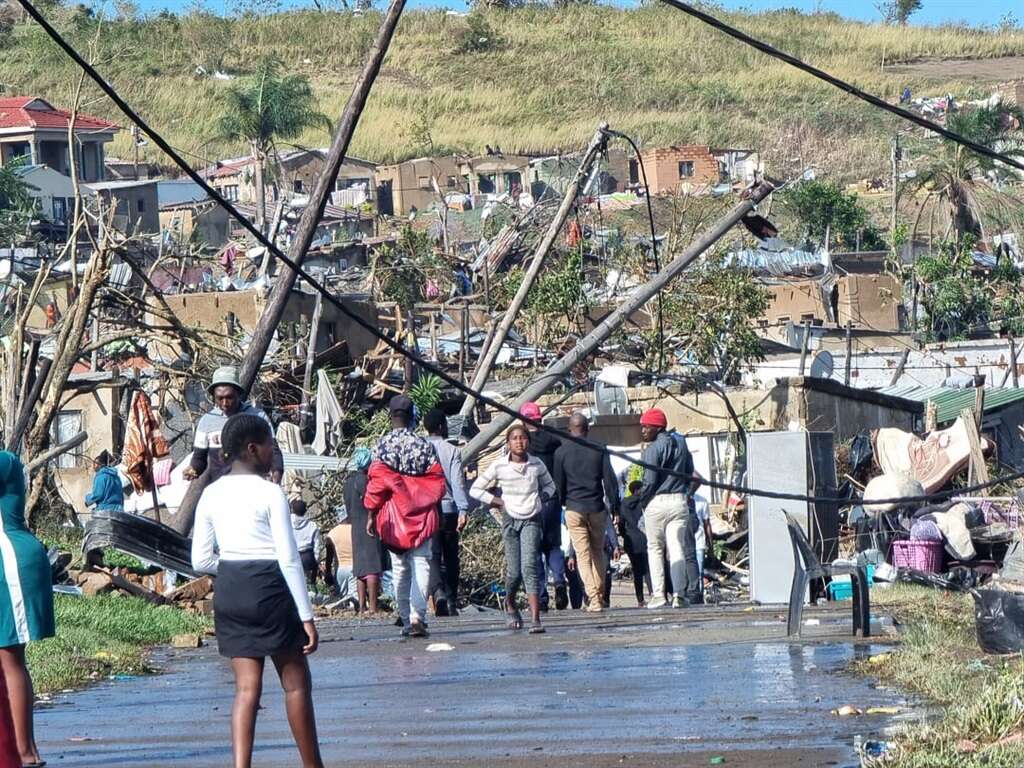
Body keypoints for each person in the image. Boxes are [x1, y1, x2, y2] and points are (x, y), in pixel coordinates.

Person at [191, 414, 323, 768]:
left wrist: (235, 568)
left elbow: (200, 559)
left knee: (246, 689)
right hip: (270, 588)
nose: (273, 450)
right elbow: (289, 558)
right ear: (252, 449)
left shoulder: (211, 494)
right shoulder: (270, 492)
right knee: (295, 684)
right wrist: (307, 616)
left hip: (231, 589)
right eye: (269, 444)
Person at [363, 396, 446, 639]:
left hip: (392, 515)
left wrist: (371, 513)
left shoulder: (381, 445)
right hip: (421, 513)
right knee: (421, 563)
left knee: (399, 568)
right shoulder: (423, 445)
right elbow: (438, 481)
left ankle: (406, 621)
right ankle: (418, 616)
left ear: (391, 417)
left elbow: (377, 484)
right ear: (413, 417)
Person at [470, 425, 555, 634]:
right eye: (515, 438)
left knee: (530, 566)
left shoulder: (536, 464)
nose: (519, 442)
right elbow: (475, 489)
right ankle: (510, 604)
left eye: (523, 438)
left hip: (532, 518)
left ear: (528, 441)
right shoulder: (499, 466)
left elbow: (550, 486)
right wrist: (497, 501)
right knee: (514, 572)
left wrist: (541, 499)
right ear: (508, 443)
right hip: (510, 519)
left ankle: (535, 618)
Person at [0, 452, 54, 768]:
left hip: (11, 564)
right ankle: (21, 749)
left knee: (9, 658)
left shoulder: (4, 461)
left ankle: (24, 752)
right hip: (10, 563)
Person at [553, 413, 619, 613]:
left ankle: (593, 598)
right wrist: (614, 506)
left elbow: (559, 485)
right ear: (587, 429)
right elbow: (609, 481)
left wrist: (564, 503)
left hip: (574, 507)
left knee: (582, 555)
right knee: (598, 552)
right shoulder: (599, 448)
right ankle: (598, 595)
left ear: (569, 430)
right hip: (597, 507)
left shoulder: (561, 453)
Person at [637, 408, 700, 609]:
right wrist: (687, 494)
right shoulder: (681, 443)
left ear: (657, 427)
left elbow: (649, 482)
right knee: (677, 548)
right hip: (679, 501)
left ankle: (659, 595)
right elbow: (691, 472)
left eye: (646, 426)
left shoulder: (652, 450)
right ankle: (679, 595)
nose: (643, 430)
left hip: (657, 502)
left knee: (655, 548)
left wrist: (644, 503)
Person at [184, 366, 283, 485]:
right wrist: (193, 469)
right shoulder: (206, 422)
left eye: (229, 397)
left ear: (239, 394)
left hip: (254, 488)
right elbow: (199, 459)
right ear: (213, 397)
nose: (224, 403)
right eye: (220, 398)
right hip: (221, 490)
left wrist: (276, 475)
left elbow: (274, 451)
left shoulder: (258, 417)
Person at [519, 402, 567, 611]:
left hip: (530, 502)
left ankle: (541, 596)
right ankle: (558, 580)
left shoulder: (523, 447)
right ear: (540, 419)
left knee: (534, 549)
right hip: (552, 500)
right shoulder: (555, 443)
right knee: (553, 545)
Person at [423, 408, 470, 617]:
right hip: (449, 509)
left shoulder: (419, 449)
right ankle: (451, 600)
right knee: (451, 556)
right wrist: (463, 509)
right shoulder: (452, 451)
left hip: (426, 510)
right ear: (442, 427)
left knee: (431, 555)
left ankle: (438, 592)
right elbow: (458, 483)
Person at [342, 448, 389, 614]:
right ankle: (373, 607)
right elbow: (374, 501)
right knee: (372, 566)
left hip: (355, 525)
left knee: (360, 567)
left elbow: (347, 507)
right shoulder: (367, 482)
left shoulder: (347, 483)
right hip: (370, 525)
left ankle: (362, 607)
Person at [618, 480, 652, 607]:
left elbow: (621, 523)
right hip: (644, 537)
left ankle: (640, 599)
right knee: (648, 568)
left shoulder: (624, 504)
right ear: (637, 490)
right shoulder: (644, 502)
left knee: (637, 570)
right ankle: (653, 593)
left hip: (631, 539)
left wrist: (623, 534)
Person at [324, 513, 358, 606]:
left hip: (340, 569)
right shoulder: (355, 530)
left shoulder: (332, 533)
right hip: (354, 567)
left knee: (341, 598)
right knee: (354, 598)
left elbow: (329, 557)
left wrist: (328, 572)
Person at [289, 499, 323, 587]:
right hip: (307, 556)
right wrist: (316, 559)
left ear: (293, 510)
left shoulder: (288, 523)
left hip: (293, 554)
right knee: (310, 581)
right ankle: (312, 589)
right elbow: (317, 545)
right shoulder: (312, 525)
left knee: (295, 582)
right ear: (305, 511)